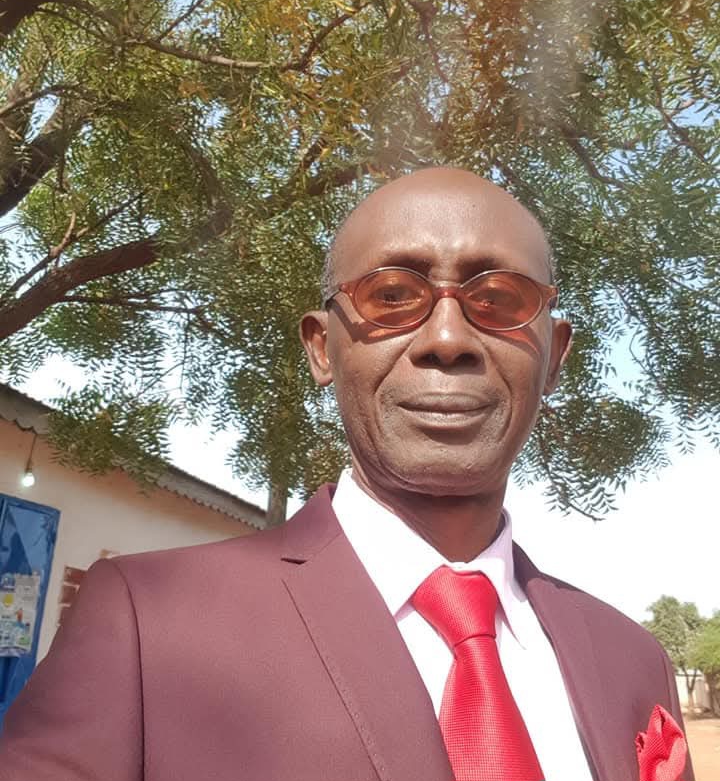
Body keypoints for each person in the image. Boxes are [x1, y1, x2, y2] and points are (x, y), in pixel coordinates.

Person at [0, 168, 692, 781]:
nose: (448, 339)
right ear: (322, 348)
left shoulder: (631, 660)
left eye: (501, 299)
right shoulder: (148, 623)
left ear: (555, 355)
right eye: (391, 294)